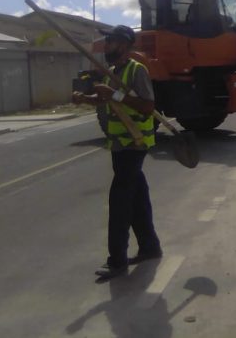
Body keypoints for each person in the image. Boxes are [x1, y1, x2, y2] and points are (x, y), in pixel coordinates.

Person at [72, 24, 162, 280]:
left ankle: (117, 262)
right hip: (120, 145)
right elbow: (107, 100)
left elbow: (147, 106)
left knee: (120, 201)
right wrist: (85, 98)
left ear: (124, 44)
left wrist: (116, 94)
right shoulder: (111, 71)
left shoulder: (137, 70)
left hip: (135, 143)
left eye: (111, 42)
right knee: (137, 197)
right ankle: (150, 247)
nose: (107, 46)